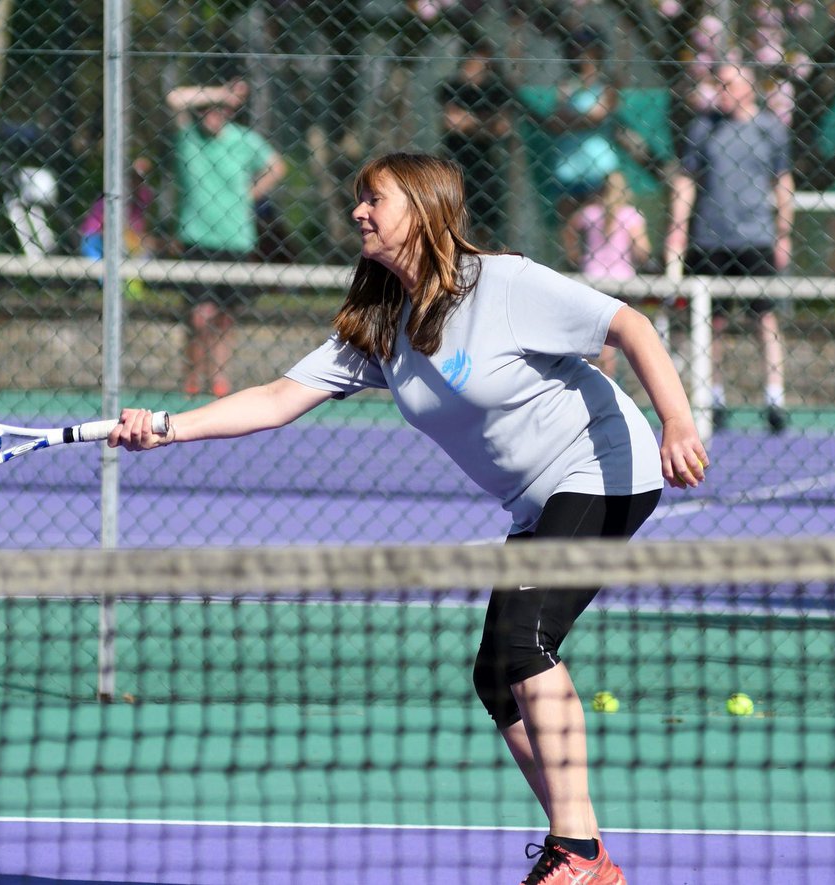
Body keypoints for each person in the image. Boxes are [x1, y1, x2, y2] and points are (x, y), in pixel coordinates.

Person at [109, 153, 709, 885]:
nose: (359, 211)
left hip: (605, 467)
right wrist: (167, 425)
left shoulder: (504, 284)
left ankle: (579, 853)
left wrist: (677, 419)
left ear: (423, 210)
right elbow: (274, 397)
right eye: (358, 199)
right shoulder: (382, 323)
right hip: (537, 499)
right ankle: (586, 854)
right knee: (497, 677)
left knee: (526, 642)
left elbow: (629, 324)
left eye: (375, 200)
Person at [665, 61, 794, 433]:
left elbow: (782, 183)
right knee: (712, 320)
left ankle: (774, 399)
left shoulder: (770, 129)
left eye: (727, 84)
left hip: (756, 237)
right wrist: (677, 230)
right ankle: (714, 398)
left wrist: (783, 232)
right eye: (716, 84)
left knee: (764, 319)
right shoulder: (703, 127)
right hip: (710, 237)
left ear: (747, 86)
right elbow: (686, 180)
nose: (719, 91)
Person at [166, 80, 287, 398]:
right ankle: (192, 377)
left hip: (235, 239)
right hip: (197, 237)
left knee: (224, 317)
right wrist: (221, 92)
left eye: (222, 110)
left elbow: (276, 166)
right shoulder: (189, 139)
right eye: (208, 108)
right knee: (199, 315)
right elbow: (175, 97)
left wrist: (249, 196)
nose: (214, 114)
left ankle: (220, 380)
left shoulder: (244, 140)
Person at [562, 170, 651, 377]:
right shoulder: (630, 215)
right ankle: (607, 378)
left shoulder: (590, 212)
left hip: (592, 277)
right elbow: (642, 249)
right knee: (614, 333)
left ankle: (596, 376)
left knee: (596, 333)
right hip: (621, 280)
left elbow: (569, 230)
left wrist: (574, 254)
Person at [440, 39, 516, 246]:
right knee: (453, 213)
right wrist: (485, 122)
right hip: (455, 160)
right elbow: (453, 122)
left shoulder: (496, 89)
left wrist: (470, 121)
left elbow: (502, 127)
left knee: (486, 219)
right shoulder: (453, 86)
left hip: (486, 163)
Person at [542, 27, 623, 223]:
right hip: (568, 168)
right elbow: (555, 123)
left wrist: (570, 120)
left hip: (600, 167)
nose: (581, 55)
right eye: (576, 50)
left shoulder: (607, 85)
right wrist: (580, 120)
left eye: (586, 50)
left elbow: (598, 117)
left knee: (605, 226)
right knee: (570, 231)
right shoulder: (566, 85)